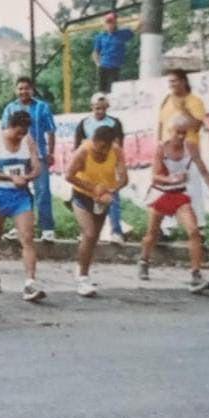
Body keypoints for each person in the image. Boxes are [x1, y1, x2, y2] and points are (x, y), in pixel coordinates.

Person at [139, 115, 209, 293]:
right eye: (178, 133)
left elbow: (201, 165)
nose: (181, 137)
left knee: (194, 231)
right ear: (171, 131)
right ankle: (144, 261)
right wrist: (172, 178)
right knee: (152, 234)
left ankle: (196, 273)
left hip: (179, 195)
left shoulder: (190, 147)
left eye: (184, 133)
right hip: (161, 194)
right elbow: (155, 176)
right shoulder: (162, 148)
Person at [0, 111, 46, 303]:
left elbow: (36, 168)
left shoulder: (28, 140)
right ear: (10, 126)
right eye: (18, 132)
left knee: (27, 237)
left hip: (20, 195)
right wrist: (9, 177)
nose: (21, 136)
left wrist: (27, 177)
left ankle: (30, 282)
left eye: (24, 132)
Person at [64, 126, 128, 297]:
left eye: (103, 148)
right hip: (82, 196)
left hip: (103, 198)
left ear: (109, 145)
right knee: (89, 233)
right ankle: (83, 279)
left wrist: (111, 190)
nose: (99, 151)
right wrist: (93, 188)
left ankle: (81, 267)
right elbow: (69, 175)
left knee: (93, 240)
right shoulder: (84, 151)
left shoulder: (116, 151)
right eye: (97, 146)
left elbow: (124, 178)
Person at [0, 77, 57, 242]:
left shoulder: (42, 107)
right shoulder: (10, 108)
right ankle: (19, 228)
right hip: (17, 156)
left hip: (38, 155)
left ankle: (47, 229)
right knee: (18, 192)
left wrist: (50, 153)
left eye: (26, 88)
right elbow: (4, 131)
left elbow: (51, 131)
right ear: (15, 90)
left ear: (32, 89)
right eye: (20, 88)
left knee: (43, 192)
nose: (23, 91)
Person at [157, 69, 209, 226]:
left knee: (192, 187)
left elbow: (197, 125)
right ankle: (168, 227)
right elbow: (160, 123)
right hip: (168, 151)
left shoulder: (194, 101)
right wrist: (159, 142)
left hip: (188, 151)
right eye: (170, 81)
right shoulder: (167, 99)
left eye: (174, 81)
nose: (171, 85)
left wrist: (183, 109)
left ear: (184, 82)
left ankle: (199, 226)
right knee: (167, 187)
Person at [75, 93, 128, 242]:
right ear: (92, 107)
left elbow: (118, 145)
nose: (100, 112)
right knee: (85, 198)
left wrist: (117, 165)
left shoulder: (114, 123)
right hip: (88, 166)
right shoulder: (84, 123)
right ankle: (85, 231)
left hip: (108, 164)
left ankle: (116, 231)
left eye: (103, 108)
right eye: (97, 108)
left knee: (112, 197)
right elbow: (77, 145)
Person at [92, 13, 136, 93]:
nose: (110, 25)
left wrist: (142, 18)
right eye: (108, 23)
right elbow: (95, 52)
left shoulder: (122, 34)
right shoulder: (101, 37)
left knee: (114, 89)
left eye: (112, 22)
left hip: (116, 67)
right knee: (102, 91)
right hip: (104, 66)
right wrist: (98, 64)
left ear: (115, 23)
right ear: (105, 24)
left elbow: (135, 29)